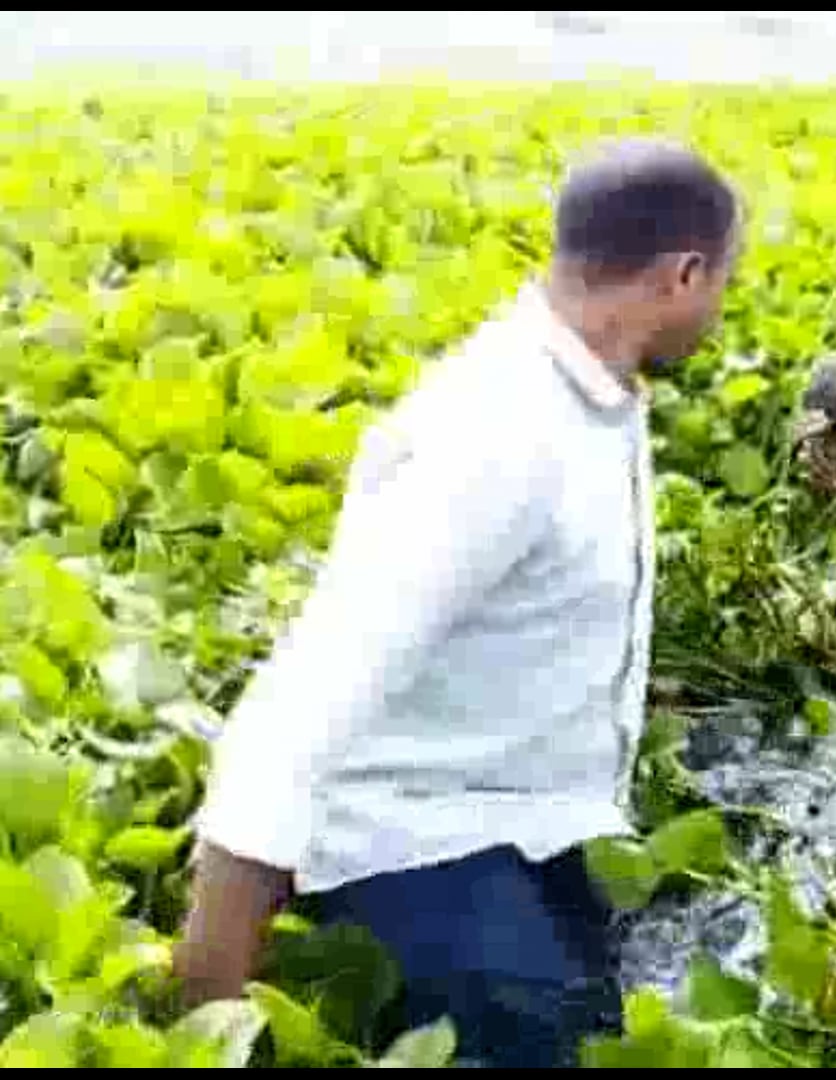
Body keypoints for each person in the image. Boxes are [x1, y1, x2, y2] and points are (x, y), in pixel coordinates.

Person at [170, 138, 742, 1067]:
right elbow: (302, 703)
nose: (717, 311)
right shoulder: (499, 431)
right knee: (540, 1040)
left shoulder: (594, 390)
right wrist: (204, 1010)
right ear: (684, 275)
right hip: (415, 834)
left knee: (611, 1017)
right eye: (721, 284)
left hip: (537, 818)